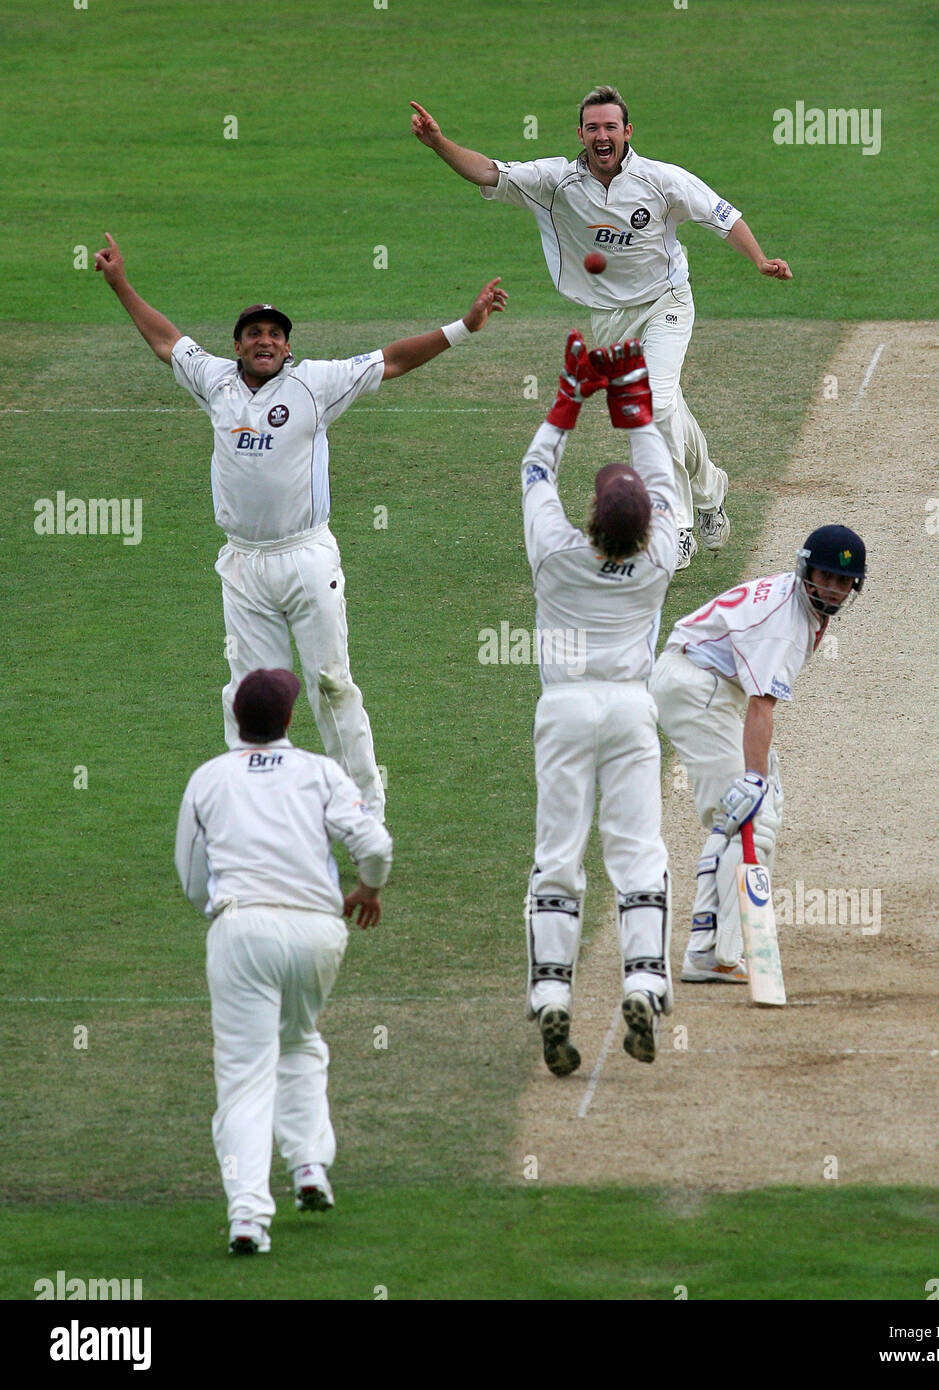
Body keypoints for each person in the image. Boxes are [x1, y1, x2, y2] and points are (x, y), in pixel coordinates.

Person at [95, 233, 507, 818]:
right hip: (243, 564)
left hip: (307, 557)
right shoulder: (214, 381)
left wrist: (464, 326)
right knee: (251, 697)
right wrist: (120, 285)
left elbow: (391, 359)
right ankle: (259, 817)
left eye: (275, 334)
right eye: (254, 334)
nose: (265, 341)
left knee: (332, 686)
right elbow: (166, 340)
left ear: (287, 348)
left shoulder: (314, 384)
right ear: (236, 347)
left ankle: (364, 814)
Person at [410, 84, 791, 570]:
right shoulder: (555, 182)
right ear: (581, 134)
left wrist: (759, 259)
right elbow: (487, 171)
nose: (602, 135)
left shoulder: (660, 180)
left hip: (666, 303)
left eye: (611, 126)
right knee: (667, 408)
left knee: (653, 403)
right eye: (593, 128)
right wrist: (440, 143)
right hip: (611, 320)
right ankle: (711, 487)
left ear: (627, 132)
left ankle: (674, 528)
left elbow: (721, 215)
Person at [175, 667, 393, 1255]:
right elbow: (374, 844)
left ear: (239, 721)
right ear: (290, 720)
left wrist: (224, 914)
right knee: (298, 1041)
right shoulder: (320, 772)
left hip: (243, 929)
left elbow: (193, 879)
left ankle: (247, 1215)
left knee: (245, 1078)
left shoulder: (208, 779)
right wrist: (368, 890)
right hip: (318, 933)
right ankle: (309, 1168)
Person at [521, 332, 677, 1074]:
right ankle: (644, 977)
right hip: (629, 707)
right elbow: (660, 468)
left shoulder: (556, 551)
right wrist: (632, 392)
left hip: (563, 709)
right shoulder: (661, 558)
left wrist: (569, 394)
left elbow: (533, 470)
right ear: (645, 525)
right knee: (637, 851)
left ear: (592, 519)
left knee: (558, 856)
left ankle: (553, 995)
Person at [648, 526, 867, 983]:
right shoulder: (784, 628)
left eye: (843, 581)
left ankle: (728, 937)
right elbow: (760, 706)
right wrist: (751, 779)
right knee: (747, 814)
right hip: (697, 689)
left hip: (708, 684)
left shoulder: (800, 605)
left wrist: (757, 781)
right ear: (805, 571)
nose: (831, 588)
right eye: (824, 576)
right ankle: (711, 953)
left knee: (762, 807)